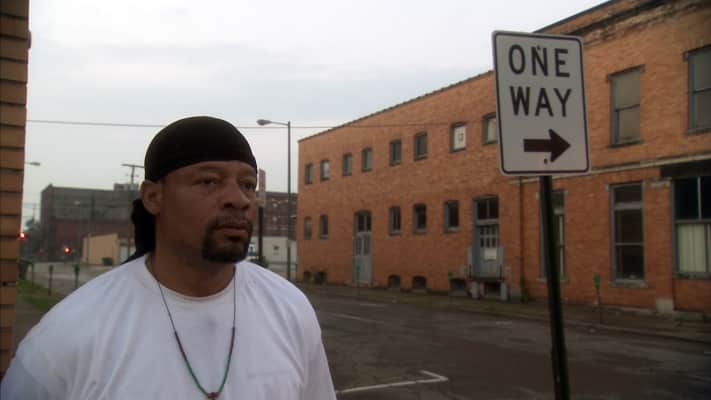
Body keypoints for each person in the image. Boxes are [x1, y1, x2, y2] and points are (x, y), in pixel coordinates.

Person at [1, 116, 337, 399]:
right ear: (153, 197)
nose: (239, 199)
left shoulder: (290, 308)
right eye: (209, 181)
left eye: (248, 184)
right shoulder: (69, 334)